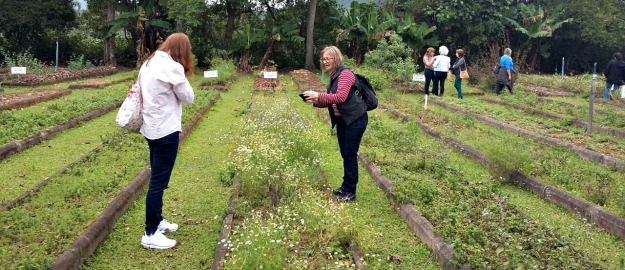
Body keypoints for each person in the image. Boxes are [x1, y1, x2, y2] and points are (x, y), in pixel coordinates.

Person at [139, 33, 195, 249]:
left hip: (151, 128)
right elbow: (189, 97)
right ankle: (150, 232)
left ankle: (158, 220)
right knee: (158, 182)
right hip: (166, 131)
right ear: (182, 50)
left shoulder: (149, 62)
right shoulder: (172, 67)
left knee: (157, 176)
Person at [302, 46, 368, 203]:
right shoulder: (333, 75)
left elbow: (340, 97)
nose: (325, 62)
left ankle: (350, 191)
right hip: (344, 121)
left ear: (336, 58)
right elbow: (332, 100)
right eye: (323, 59)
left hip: (355, 120)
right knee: (345, 154)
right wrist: (315, 101)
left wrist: (318, 95)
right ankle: (345, 186)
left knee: (350, 154)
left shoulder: (345, 74)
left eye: (328, 58)